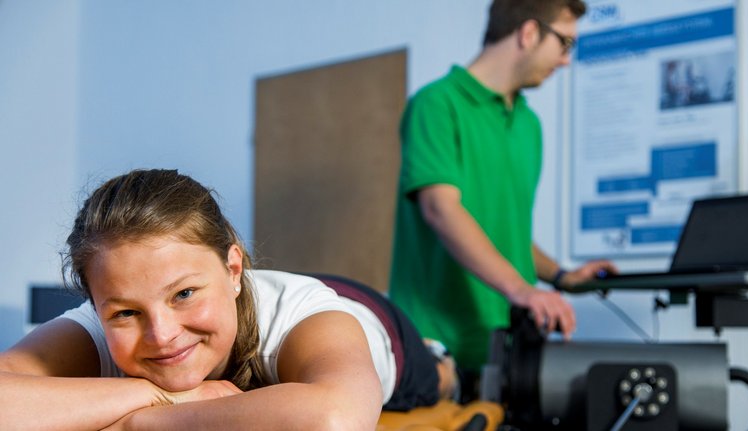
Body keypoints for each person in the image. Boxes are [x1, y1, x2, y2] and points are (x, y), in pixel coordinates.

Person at [0, 169, 456, 430]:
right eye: (126, 312)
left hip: (372, 319)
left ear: (234, 269)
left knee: (438, 382)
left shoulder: (306, 317)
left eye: (183, 293)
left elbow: (335, 419)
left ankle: (439, 360)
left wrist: (141, 422)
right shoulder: (106, 318)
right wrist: (157, 394)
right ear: (98, 304)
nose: (161, 335)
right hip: (255, 304)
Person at [388, 0, 617, 390]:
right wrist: (522, 289)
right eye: (564, 44)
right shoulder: (437, 105)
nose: (565, 61)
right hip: (437, 347)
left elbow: (503, 231)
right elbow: (441, 210)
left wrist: (562, 276)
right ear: (529, 33)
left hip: (506, 346)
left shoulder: (529, 125)